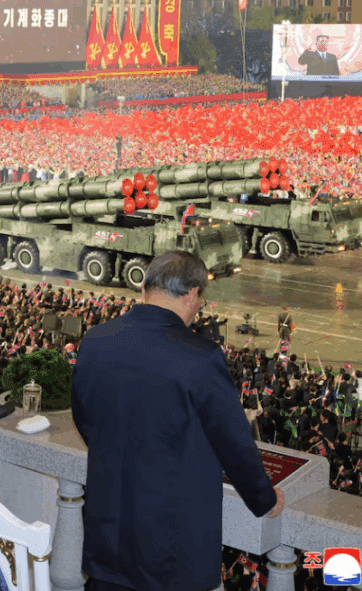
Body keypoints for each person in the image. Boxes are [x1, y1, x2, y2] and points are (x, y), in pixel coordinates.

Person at [71, 250, 283, 591]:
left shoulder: (96, 340)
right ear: (192, 294)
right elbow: (233, 442)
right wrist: (264, 498)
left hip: (110, 527)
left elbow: (85, 419)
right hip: (172, 541)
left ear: (145, 288)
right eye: (200, 300)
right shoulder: (200, 356)